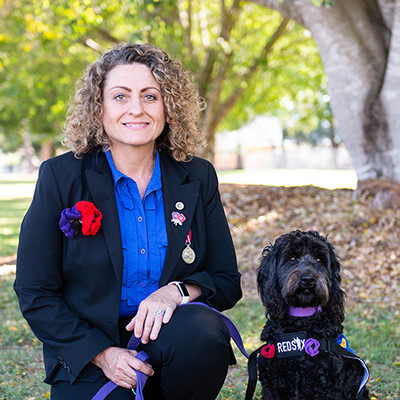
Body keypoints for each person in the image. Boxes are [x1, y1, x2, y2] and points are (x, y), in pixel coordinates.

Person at [14, 43, 242, 400]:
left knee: (203, 331)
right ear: (98, 107)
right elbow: (34, 290)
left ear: (168, 106)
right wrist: (104, 355)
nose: (136, 109)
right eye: (121, 96)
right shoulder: (61, 177)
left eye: (150, 96)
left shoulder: (197, 176)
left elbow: (226, 280)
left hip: (174, 339)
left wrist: (177, 292)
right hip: (89, 350)